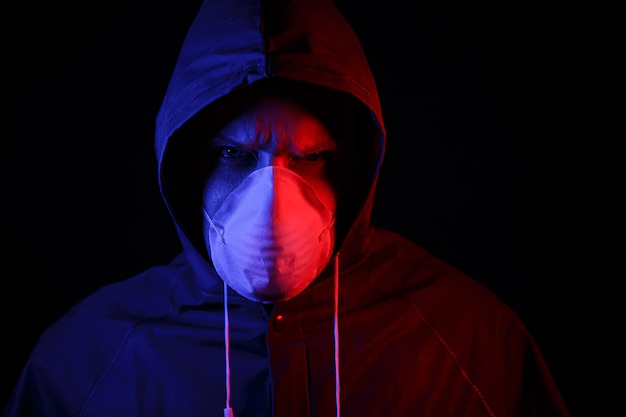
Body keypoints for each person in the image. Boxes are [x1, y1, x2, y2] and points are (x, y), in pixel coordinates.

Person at [3, 0, 571, 416]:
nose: (273, 199)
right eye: (234, 154)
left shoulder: (468, 343)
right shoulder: (85, 362)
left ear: (354, 166)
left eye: (313, 156)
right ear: (186, 165)